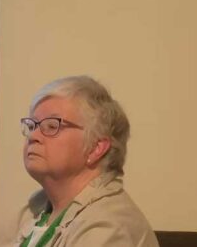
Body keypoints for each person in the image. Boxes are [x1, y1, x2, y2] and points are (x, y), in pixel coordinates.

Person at [12, 76, 158, 247]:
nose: (33, 136)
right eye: (32, 126)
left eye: (52, 126)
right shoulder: (35, 210)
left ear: (96, 147)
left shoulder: (108, 227)